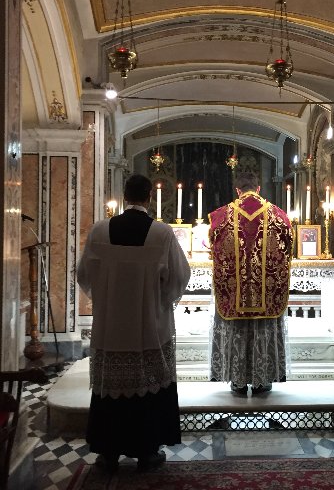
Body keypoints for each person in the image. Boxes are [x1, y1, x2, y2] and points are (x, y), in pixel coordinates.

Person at [77, 174, 190, 471]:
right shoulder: (161, 233)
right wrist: (161, 302)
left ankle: (108, 452)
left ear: (124, 196)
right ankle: (147, 451)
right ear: (149, 197)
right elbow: (179, 277)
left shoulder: (100, 231)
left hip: (110, 329)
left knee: (110, 390)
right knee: (148, 388)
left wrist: (106, 297)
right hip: (149, 327)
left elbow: (84, 275)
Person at [209, 172, 293, 395]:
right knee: (263, 328)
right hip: (265, 289)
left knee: (237, 329)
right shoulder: (278, 215)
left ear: (238, 190)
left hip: (235, 288)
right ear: (258, 189)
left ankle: (237, 381)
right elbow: (288, 245)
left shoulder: (222, 215)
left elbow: (214, 246)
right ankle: (263, 380)